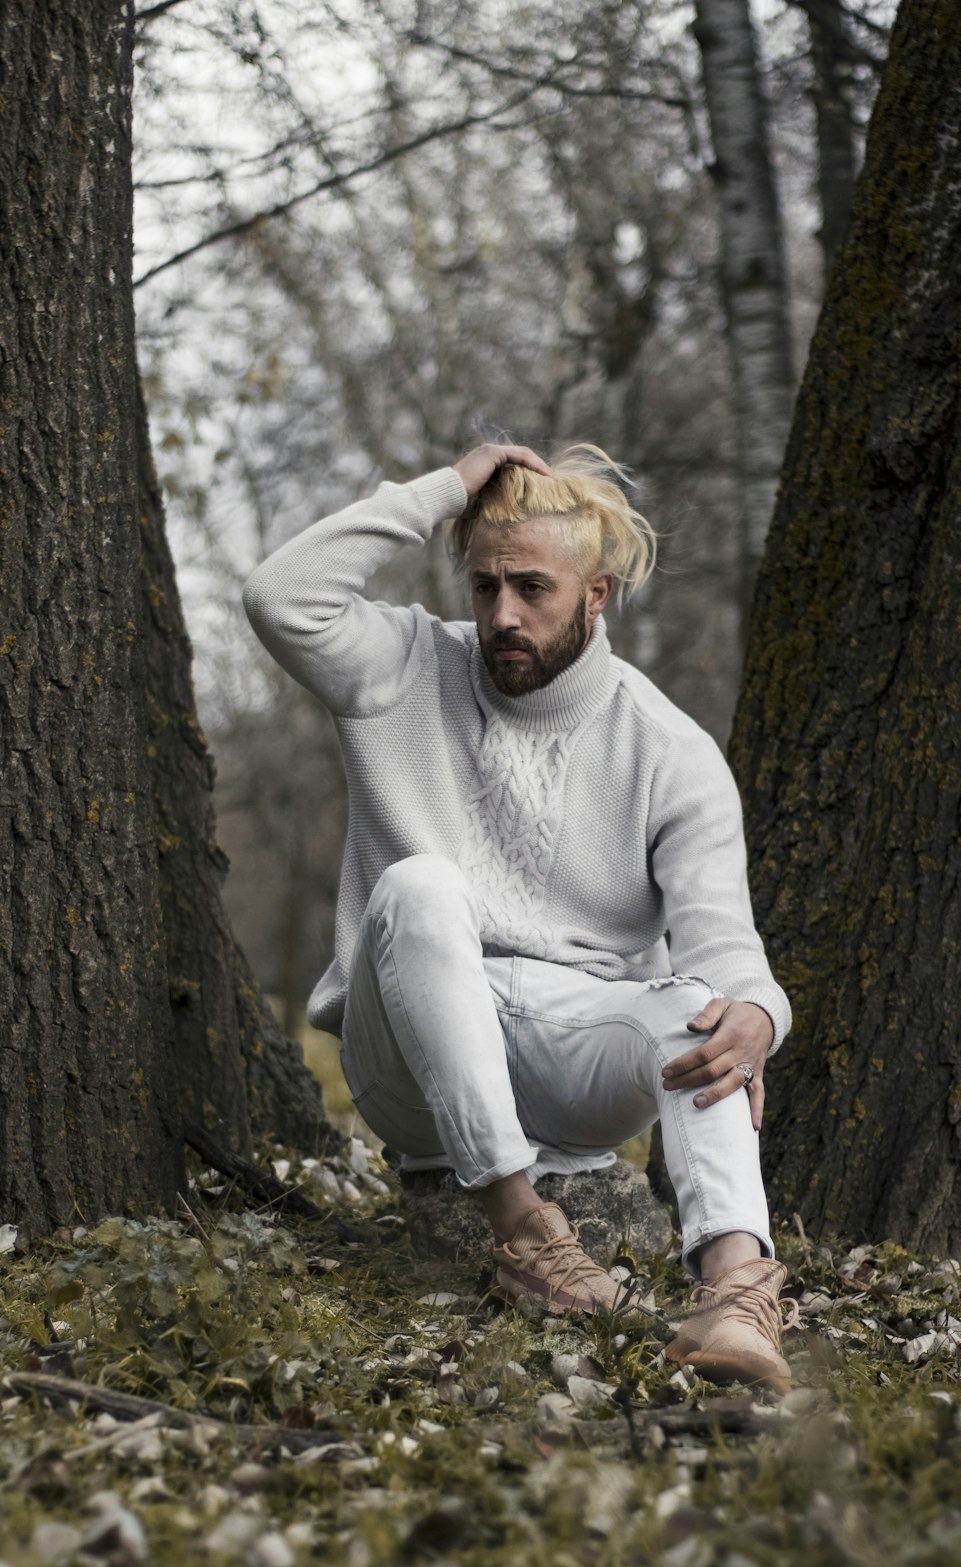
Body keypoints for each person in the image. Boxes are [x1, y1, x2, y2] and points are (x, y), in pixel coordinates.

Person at [243, 441, 796, 1392]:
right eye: (486, 583)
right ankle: (527, 1235)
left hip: (571, 1060)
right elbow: (276, 596)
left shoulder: (670, 749)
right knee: (421, 885)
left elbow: (722, 943)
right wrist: (446, 488)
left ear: (597, 595)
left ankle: (738, 1294)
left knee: (702, 1008)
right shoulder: (406, 663)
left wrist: (758, 1011)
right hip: (406, 1062)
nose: (502, 613)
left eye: (532, 587)